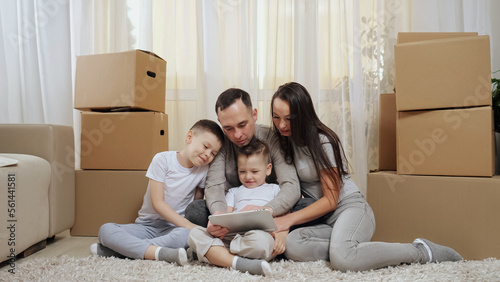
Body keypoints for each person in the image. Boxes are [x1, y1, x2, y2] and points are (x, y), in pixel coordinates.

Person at [270, 82, 463, 272]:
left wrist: (288, 220)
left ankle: (420, 251)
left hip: (349, 207)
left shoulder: (323, 142)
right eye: (276, 117)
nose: (281, 125)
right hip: (323, 220)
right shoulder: (284, 142)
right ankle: (348, 246)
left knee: (343, 260)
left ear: (303, 115)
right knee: (293, 245)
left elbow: (331, 200)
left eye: (289, 118)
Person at [90, 119, 225, 265]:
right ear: (189, 137)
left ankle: (124, 251)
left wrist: (189, 227)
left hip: (174, 229)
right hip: (146, 226)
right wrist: (188, 225)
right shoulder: (162, 160)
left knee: (185, 235)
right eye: (205, 146)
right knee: (106, 230)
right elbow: (158, 203)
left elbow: (193, 206)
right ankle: (157, 252)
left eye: (213, 153)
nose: (207, 155)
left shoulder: (203, 171)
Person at [185, 88, 301, 242]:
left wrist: (266, 210)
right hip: (232, 210)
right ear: (220, 123)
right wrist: (220, 218)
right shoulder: (221, 143)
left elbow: (291, 184)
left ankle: (275, 236)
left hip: (271, 210)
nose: (237, 135)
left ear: (254, 114)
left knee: (305, 205)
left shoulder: (272, 136)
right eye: (228, 128)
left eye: (242, 124)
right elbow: (214, 186)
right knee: (195, 211)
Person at [188, 138, 281, 276]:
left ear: (268, 169)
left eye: (255, 171)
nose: (248, 176)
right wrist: (218, 228)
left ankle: (216, 255)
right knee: (194, 234)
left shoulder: (275, 189)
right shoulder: (234, 191)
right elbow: (227, 215)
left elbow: (283, 215)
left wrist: (281, 235)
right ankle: (240, 261)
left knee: (260, 243)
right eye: (242, 171)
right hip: (231, 236)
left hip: (258, 236)